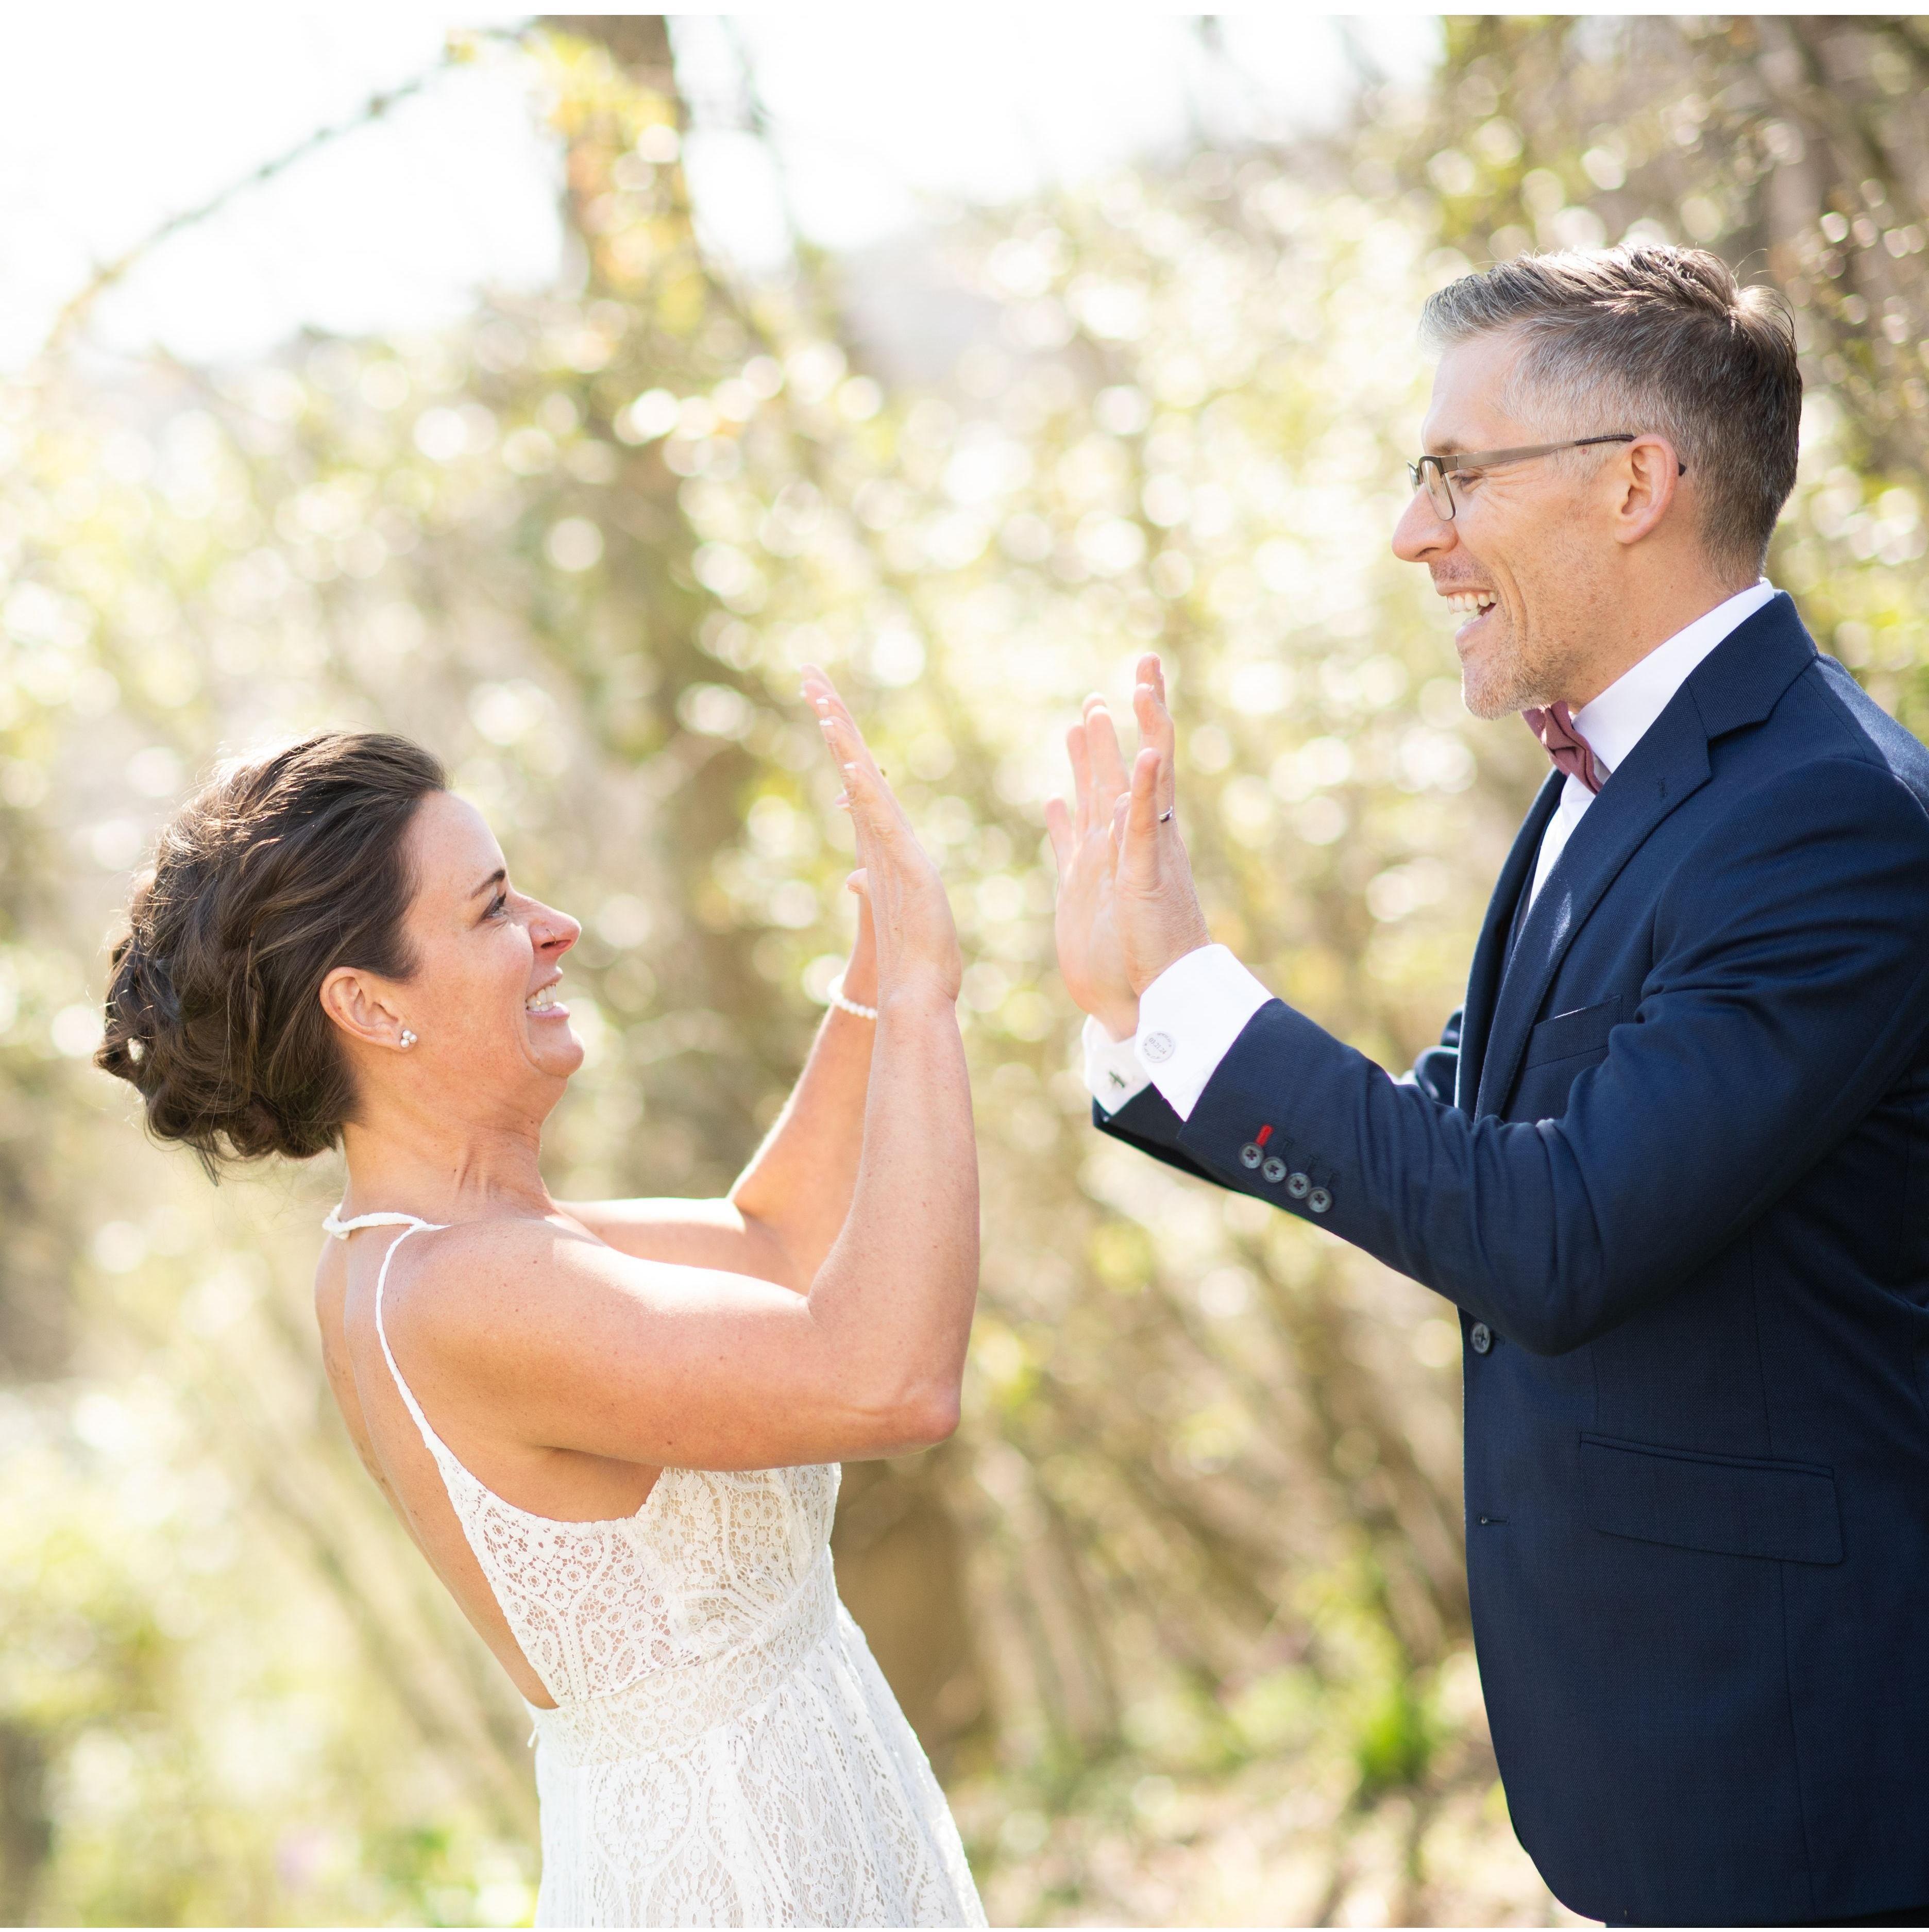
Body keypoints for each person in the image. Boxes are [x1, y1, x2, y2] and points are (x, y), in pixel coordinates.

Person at [1050, 245, 1929, 1927]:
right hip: (1640, 1756)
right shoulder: (1600, 781)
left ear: (1636, 484)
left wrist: (1199, 1000)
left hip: (1801, 1775)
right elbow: (1453, 1151)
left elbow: (1556, 1235)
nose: (1412, 533)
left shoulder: (1830, 820)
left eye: (1451, 474)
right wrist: (1148, 1025)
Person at [96, 671, 986, 1928]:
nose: (556, 926)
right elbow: (888, 1378)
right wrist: (930, 1006)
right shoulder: (463, 1291)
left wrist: (878, 978)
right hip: (738, 1884)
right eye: (496, 908)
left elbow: (775, 1247)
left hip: (801, 1831)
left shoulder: (437, 1247)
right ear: (369, 1005)